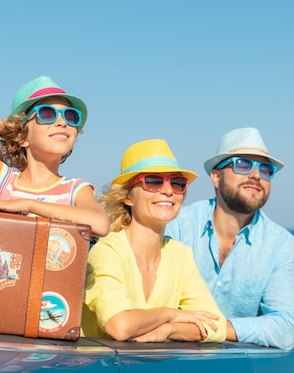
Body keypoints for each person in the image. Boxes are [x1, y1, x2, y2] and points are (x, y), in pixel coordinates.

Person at [164, 127, 294, 349]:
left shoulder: (280, 244)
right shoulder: (178, 226)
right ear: (216, 177)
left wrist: (207, 330)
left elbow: (285, 328)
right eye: (243, 164)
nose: (256, 175)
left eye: (266, 169)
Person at [82, 139, 227, 343]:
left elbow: (218, 326)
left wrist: (168, 330)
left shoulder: (180, 255)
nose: (168, 191)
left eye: (177, 183)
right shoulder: (106, 251)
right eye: (153, 181)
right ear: (127, 197)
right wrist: (171, 314)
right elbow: (119, 326)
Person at [0, 76, 109, 237]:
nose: (62, 122)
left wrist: (28, 205)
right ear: (22, 138)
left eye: (70, 116)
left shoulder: (75, 189)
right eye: (47, 114)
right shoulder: (4, 180)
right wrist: (16, 130)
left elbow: (100, 224)